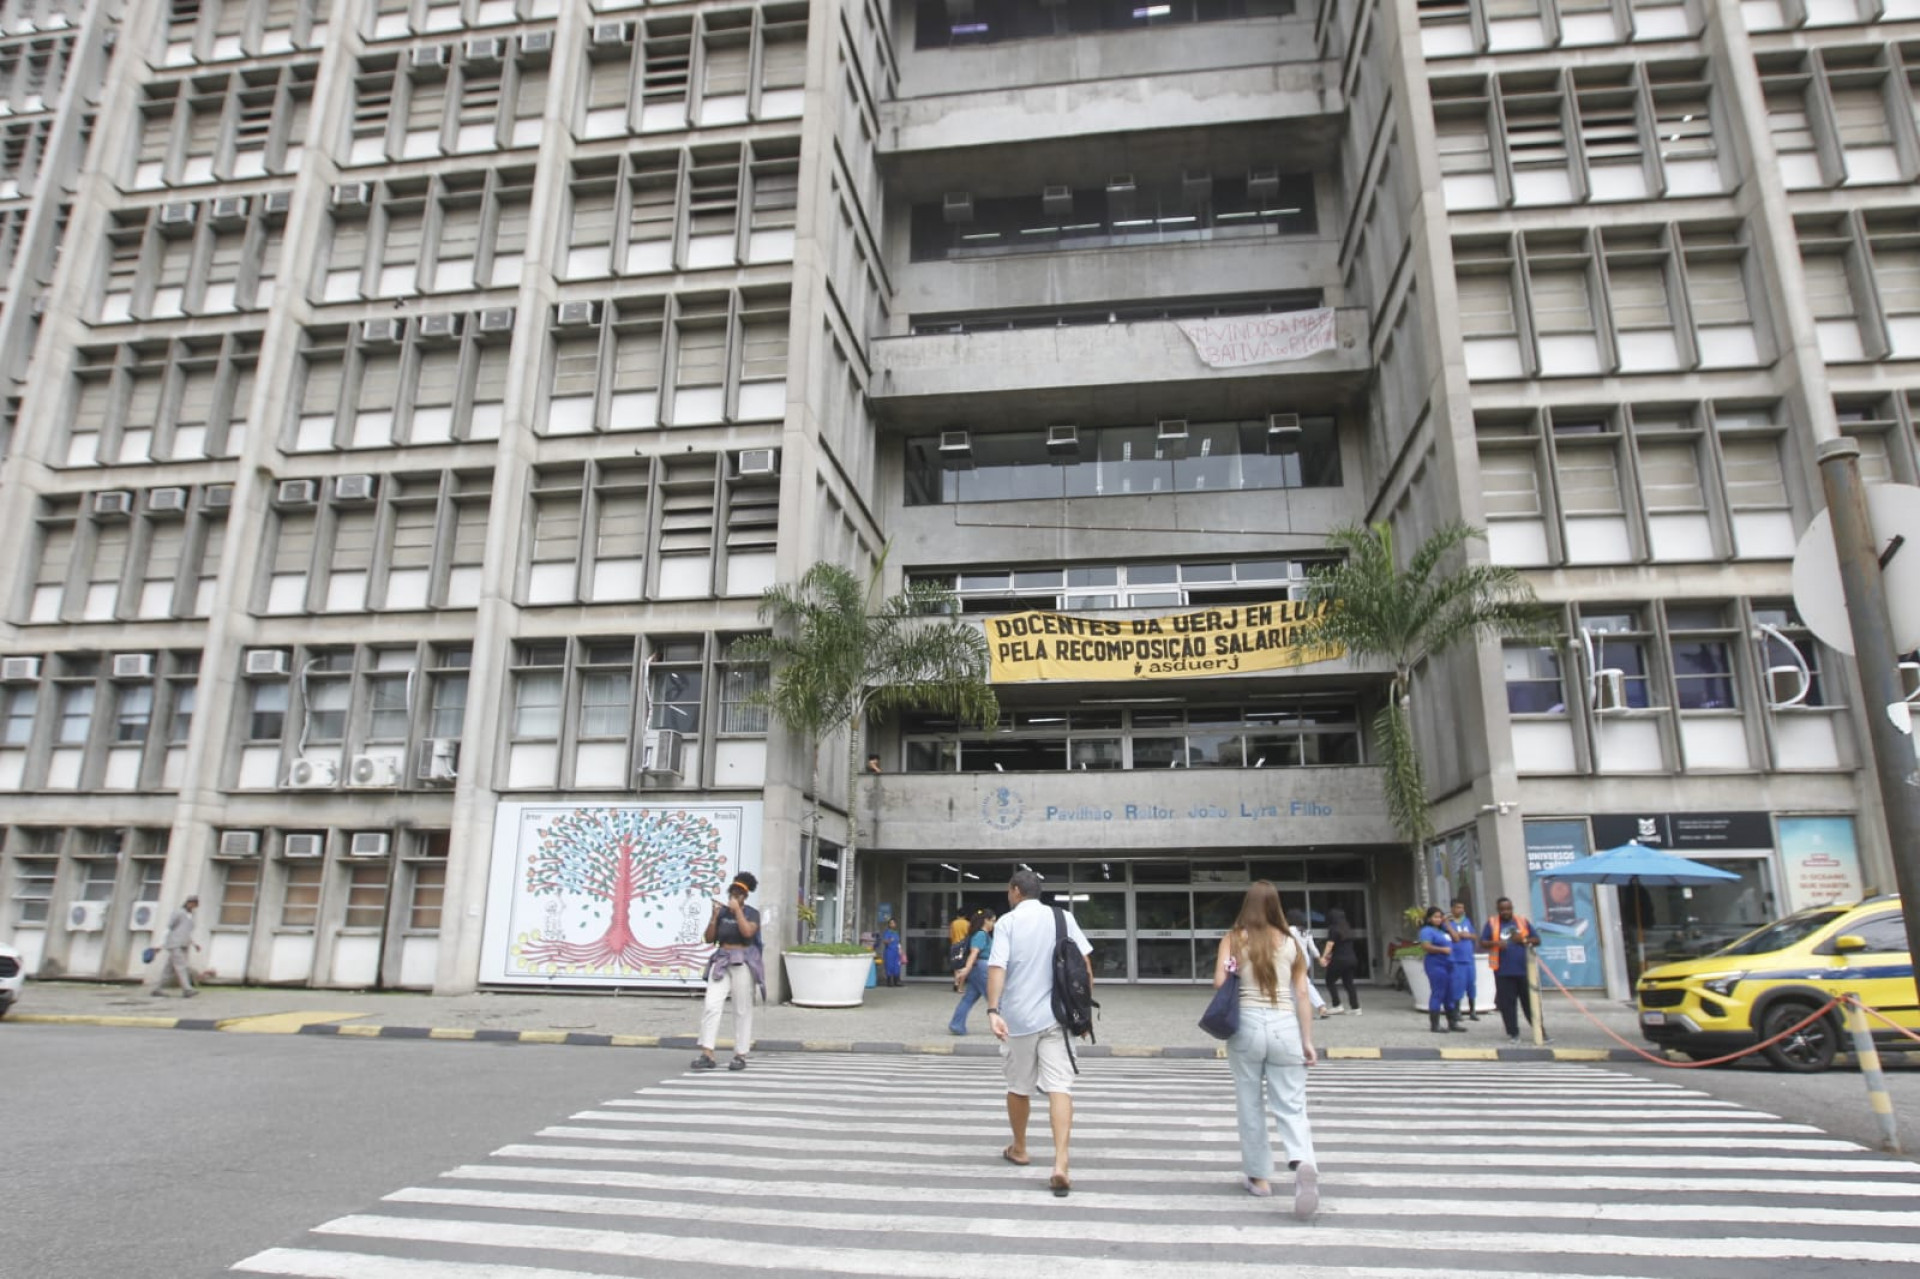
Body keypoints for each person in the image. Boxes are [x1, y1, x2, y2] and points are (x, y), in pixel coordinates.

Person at [1215, 882, 1320, 1219]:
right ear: (1278, 906)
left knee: (1250, 1102)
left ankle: (1259, 1178)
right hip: (1284, 1024)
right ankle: (1302, 1160)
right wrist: (1307, 1041)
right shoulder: (1292, 943)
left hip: (1245, 1024)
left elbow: (1219, 983)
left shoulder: (1233, 938)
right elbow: (1302, 995)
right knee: (1291, 1103)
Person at [986, 869, 1092, 1198]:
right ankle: (1061, 1162)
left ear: (1016, 891)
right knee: (1060, 1087)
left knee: (1019, 1087)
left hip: (1019, 1019)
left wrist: (993, 1010)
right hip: (1059, 1017)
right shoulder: (1063, 918)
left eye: (1009, 891)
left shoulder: (1007, 922)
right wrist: (1083, 1014)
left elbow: (997, 967)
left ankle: (1020, 1148)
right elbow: (1084, 967)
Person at [693, 872, 762, 1071]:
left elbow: (748, 932)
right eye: (733, 892)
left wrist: (737, 911)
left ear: (745, 897)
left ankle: (740, 1054)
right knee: (711, 1004)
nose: (735, 896)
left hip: (742, 961)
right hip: (722, 959)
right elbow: (708, 938)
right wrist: (714, 917)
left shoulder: (751, 913)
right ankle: (707, 1052)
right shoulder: (722, 913)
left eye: (740, 893)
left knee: (741, 1008)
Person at [1481, 896, 1548, 1044]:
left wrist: (1523, 940)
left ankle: (1540, 1031)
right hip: (1503, 971)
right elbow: (1483, 942)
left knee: (1530, 1003)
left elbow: (1537, 940)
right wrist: (1495, 943)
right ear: (1498, 910)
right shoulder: (1492, 923)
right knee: (1508, 1005)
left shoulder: (1522, 921)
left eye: (1508, 908)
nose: (1506, 911)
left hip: (1524, 971)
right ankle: (1513, 1033)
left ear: (1512, 908)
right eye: (1503, 909)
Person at [948, 910, 996, 1034]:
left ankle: (956, 1024)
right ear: (986, 920)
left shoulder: (979, 934)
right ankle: (1006, 1026)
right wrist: (967, 969)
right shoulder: (981, 934)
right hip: (981, 968)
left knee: (969, 998)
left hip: (977, 968)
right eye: (992, 921)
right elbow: (974, 953)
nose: (993, 924)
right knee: (994, 998)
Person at [1418, 907, 1464, 1033]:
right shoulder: (1426, 931)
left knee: (1450, 993)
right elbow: (1425, 946)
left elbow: (1456, 938)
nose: (1438, 919)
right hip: (1436, 964)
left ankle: (1452, 1022)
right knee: (1438, 992)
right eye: (1435, 917)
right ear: (1429, 918)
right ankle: (1435, 1024)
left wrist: (1447, 924)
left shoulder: (1443, 930)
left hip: (1449, 964)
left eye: (1440, 917)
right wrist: (1441, 950)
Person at [150, 894, 201, 998]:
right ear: (188, 903)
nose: (193, 906)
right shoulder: (178, 913)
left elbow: (186, 932)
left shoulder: (190, 916)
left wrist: (194, 944)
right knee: (181, 966)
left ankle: (157, 988)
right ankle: (187, 989)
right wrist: (160, 943)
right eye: (192, 904)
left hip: (183, 943)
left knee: (169, 969)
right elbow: (169, 928)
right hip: (175, 943)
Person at [1285, 909, 1329, 1019]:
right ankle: (1319, 1006)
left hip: (1293, 959)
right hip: (1305, 960)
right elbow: (1312, 948)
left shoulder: (1289, 930)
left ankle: (1317, 1007)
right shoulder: (1306, 931)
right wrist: (1319, 959)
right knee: (1301, 983)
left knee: (1294, 984)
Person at [1318, 908, 1361, 1015]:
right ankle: (1355, 1008)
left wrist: (1323, 957)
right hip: (1351, 959)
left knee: (1329, 980)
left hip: (1339, 960)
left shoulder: (1333, 928)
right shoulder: (1347, 928)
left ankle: (1337, 1005)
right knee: (1349, 983)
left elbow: (1330, 944)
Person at [1447, 899, 1481, 1021]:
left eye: (1462, 907)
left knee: (1471, 984)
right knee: (1458, 985)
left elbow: (1475, 935)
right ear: (1452, 909)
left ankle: (1472, 1011)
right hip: (1457, 959)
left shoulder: (1466, 921)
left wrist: (1469, 935)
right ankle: (1457, 1011)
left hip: (1469, 958)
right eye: (1458, 907)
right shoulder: (1448, 923)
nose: (1460, 910)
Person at [875, 917, 904, 987]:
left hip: (896, 952)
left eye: (893, 923)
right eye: (891, 923)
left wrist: (900, 949)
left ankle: (896, 981)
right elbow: (885, 941)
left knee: (896, 966)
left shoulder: (896, 933)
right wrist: (889, 940)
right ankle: (889, 982)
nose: (892, 924)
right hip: (889, 951)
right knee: (889, 966)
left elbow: (898, 942)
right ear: (889, 925)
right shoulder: (887, 932)